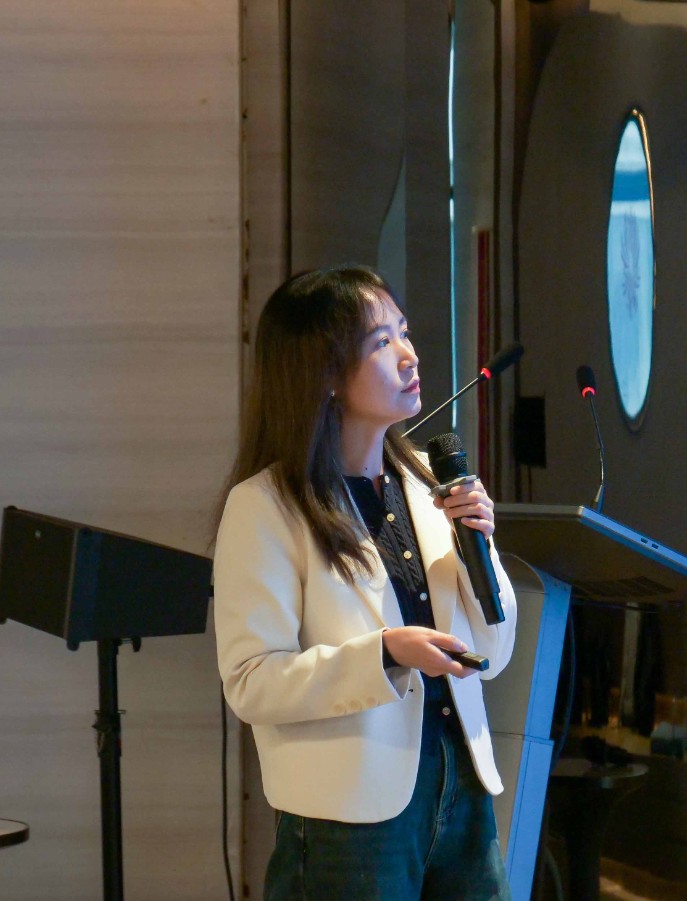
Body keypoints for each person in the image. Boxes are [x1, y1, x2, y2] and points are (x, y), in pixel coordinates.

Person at [212, 264, 516, 900]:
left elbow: (495, 647)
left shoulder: (432, 484)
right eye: (382, 342)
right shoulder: (265, 506)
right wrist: (384, 654)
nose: (409, 355)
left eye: (404, 332)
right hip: (350, 816)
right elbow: (251, 682)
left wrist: (480, 545)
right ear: (324, 374)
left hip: (461, 786)